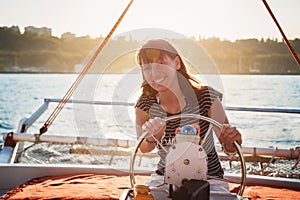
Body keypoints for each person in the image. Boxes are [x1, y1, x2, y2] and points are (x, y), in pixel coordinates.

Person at [134, 39, 242, 193]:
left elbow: (230, 148)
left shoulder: (207, 97)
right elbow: (143, 148)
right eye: (147, 68)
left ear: (176, 63)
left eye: (161, 63)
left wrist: (230, 141)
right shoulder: (145, 104)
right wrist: (153, 136)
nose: (154, 73)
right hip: (165, 179)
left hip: (210, 178)